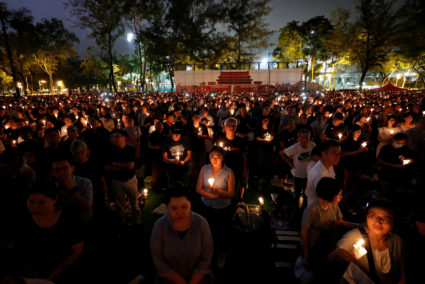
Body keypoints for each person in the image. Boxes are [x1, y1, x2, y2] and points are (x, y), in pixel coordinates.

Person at [15, 182, 84, 283]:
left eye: (41, 203)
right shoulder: (22, 219)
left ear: (55, 199)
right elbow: (18, 250)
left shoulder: (69, 219)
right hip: (31, 273)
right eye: (31, 202)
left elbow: (76, 251)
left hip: (65, 271)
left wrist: (50, 278)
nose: (35, 206)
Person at [328, 199, 406, 284]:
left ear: (394, 222)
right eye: (372, 215)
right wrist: (338, 254)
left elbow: (402, 276)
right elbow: (328, 260)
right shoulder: (355, 236)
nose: (378, 221)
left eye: (385, 218)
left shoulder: (397, 242)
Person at [151, 186, 213, 284]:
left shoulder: (201, 224)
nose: (180, 212)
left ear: (190, 205)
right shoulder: (159, 226)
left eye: (184, 207)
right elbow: (158, 260)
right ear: (167, 208)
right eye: (174, 208)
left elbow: (206, 258)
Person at [301, 178, 358, 275]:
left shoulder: (333, 205)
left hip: (328, 243)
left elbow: (339, 221)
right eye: (339, 194)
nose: (341, 197)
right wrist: (306, 257)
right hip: (315, 249)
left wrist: (358, 225)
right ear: (329, 194)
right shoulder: (312, 209)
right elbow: (304, 234)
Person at [196, 146, 235, 267]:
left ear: (223, 158)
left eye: (218, 157)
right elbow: (198, 189)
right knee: (207, 231)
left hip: (223, 208)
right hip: (206, 205)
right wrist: (211, 196)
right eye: (212, 156)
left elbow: (231, 193)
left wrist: (218, 191)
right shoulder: (204, 169)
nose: (214, 159)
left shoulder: (228, 172)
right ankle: (207, 253)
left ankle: (221, 254)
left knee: (223, 232)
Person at [104, 129, 141, 224]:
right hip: (117, 181)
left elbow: (130, 166)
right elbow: (107, 167)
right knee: (120, 204)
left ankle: (137, 220)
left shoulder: (130, 150)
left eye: (116, 136)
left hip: (130, 180)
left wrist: (115, 163)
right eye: (112, 137)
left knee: (134, 202)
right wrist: (123, 166)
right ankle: (123, 221)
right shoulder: (109, 151)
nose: (113, 139)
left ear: (124, 138)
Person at [280, 129, 316, 207]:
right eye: (302, 137)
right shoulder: (295, 147)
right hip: (297, 175)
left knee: (307, 195)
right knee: (297, 195)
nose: (304, 140)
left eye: (307, 137)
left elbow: (316, 154)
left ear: (310, 138)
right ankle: (296, 211)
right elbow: (281, 153)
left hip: (308, 175)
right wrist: (290, 164)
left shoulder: (312, 145)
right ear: (298, 138)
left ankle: (304, 210)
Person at [305, 139, 341, 206]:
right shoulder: (319, 174)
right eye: (334, 153)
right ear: (323, 154)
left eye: (339, 154)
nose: (338, 157)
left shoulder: (329, 165)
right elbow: (322, 199)